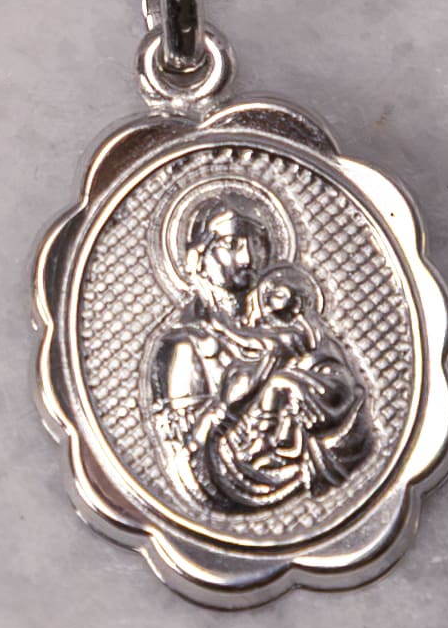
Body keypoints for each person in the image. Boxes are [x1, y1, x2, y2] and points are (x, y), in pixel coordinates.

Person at [147, 187, 375, 515]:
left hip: (318, 479)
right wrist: (230, 405)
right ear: (199, 256)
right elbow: (189, 461)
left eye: (255, 243)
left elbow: (352, 409)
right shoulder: (185, 346)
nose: (247, 258)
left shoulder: (295, 327)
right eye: (231, 244)